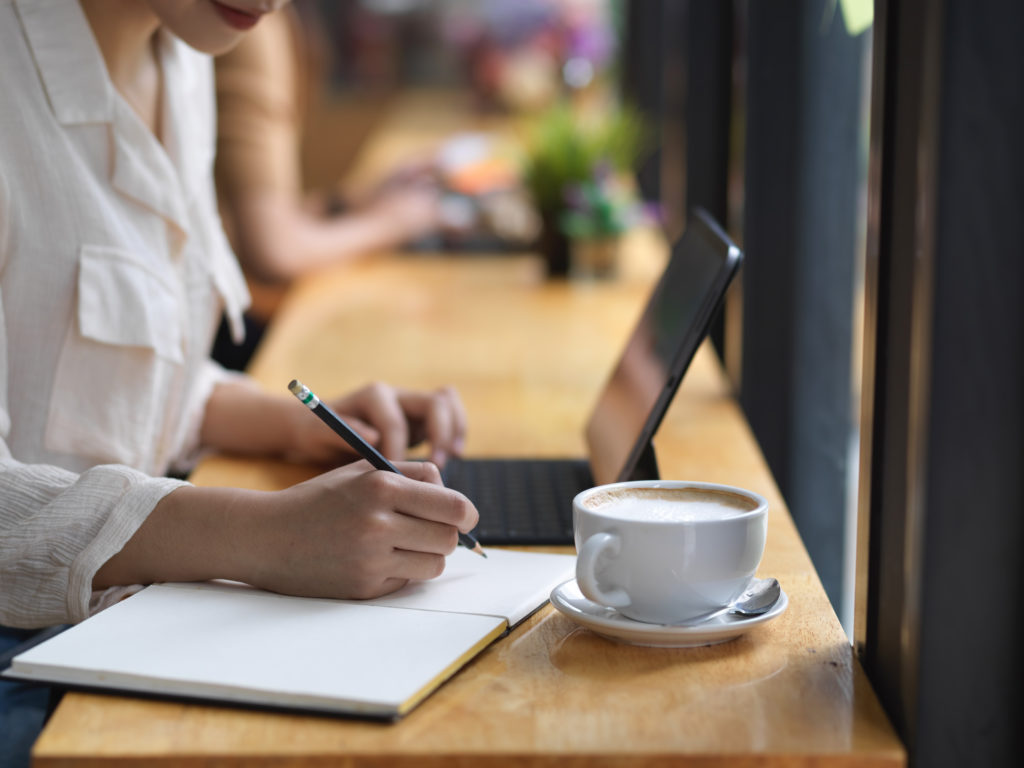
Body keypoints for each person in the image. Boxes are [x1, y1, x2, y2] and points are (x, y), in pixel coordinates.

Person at [0, 1, 476, 763]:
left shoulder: (186, 58)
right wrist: (269, 537)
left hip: (123, 621)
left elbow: (114, 390)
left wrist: (300, 424)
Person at [211, 4, 443, 369]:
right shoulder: (248, 25)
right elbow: (273, 252)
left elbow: (234, 211)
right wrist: (394, 223)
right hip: (234, 327)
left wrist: (351, 202)